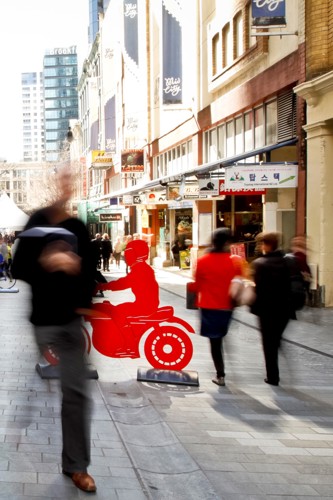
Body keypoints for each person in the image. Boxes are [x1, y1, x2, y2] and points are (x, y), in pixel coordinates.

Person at [12, 167, 97, 493]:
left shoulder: (78, 226)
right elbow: (18, 267)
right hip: (44, 322)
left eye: (68, 181)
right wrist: (47, 263)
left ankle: (77, 466)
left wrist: (77, 272)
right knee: (57, 387)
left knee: (76, 393)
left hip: (72, 321)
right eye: (59, 181)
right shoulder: (36, 222)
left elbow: (91, 271)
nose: (64, 186)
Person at [188, 228, 242, 387]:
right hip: (227, 306)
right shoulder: (235, 261)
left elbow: (196, 285)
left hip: (209, 306)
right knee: (221, 335)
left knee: (215, 341)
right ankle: (222, 371)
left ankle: (220, 374)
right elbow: (239, 282)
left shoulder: (203, 261)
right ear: (227, 243)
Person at [91, 239, 159, 356]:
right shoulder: (141, 267)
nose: (126, 256)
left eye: (129, 253)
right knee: (110, 308)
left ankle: (129, 344)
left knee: (117, 313)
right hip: (145, 303)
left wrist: (103, 286)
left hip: (144, 305)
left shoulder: (140, 269)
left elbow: (123, 283)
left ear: (135, 254)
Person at [250, 232, 293, 386]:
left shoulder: (260, 264)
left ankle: (273, 377)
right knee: (274, 339)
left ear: (267, 245)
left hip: (266, 310)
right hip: (285, 309)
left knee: (269, 344)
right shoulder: (287, 262)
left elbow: (258, 289)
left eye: (262, 244)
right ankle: (278, 347)